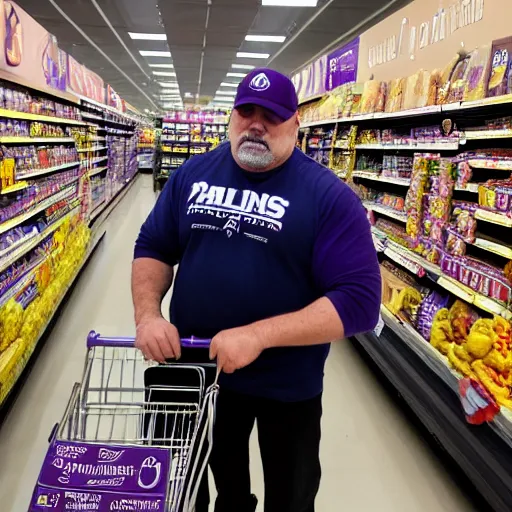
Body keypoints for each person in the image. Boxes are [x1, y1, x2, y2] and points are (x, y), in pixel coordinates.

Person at [132, 68, 381, 512]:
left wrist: (258, 335)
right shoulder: (193, 173)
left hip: (286, 385)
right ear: (232, 117)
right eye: (246, 111)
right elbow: (154, 245)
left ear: (295, 124)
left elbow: (360, 302)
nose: (256, 124)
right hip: (198, 371)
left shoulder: (328, 197)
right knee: (209, 486)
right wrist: (148, 315)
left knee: (289, 495)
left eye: (272, 115)